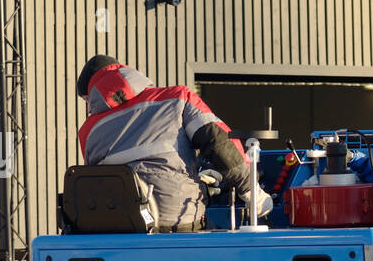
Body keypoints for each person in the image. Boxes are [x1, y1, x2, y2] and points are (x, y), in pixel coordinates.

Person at [75, 55, 271, 232]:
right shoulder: (177, 97)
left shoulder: (88, 131)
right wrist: (251, 191)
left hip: (121, 229)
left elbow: (100, 184)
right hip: (179, 223)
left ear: (93, 94)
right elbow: (219, 142)